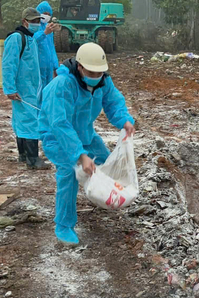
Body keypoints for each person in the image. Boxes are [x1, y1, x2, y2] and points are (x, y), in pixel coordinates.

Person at [39, 43, 135, 244]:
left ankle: (105, 194)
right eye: (91, 72)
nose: (96, 76)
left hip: (86, 133)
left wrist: (125, 121)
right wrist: (80, 156)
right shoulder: (63, 85)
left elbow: (114, 102)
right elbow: (60, 124)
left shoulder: (102, 81)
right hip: (57, 137)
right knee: (69, 173)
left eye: (100, 72)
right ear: (80, 67)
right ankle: (64, 225)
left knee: (106, 160)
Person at [2, 7, 55, 169]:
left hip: (31, 88)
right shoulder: (16, 38)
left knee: (22, 120)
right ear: (25, 22)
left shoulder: (30, 38)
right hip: (22, 89)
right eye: (33, 21)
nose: (36, 24)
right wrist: (9, 88)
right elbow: (8, 65)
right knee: (30, 121)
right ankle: (33, 159)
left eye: (38, 21)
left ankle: (23, 155)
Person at [36, 1, 60, 87]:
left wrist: (55, 66)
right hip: (38, 65)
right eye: (44, 13)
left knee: (48, 89)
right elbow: (32, 41)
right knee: (38, 90)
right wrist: (44, 33)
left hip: (48, 66)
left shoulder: (49, 29)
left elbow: (51, 48)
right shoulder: (34, 26)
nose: (46, 16)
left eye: (48, 14)